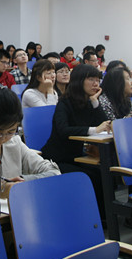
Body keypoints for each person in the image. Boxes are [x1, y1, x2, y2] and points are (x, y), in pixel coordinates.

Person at [41, 64, 111, 215]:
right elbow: (63, 130)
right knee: (90, 177)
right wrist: (93, 130)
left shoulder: (88, 102)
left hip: (76, 156)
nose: (96, 84)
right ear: (79, 81)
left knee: (102, 173)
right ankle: (94, 216)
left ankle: (104, 216)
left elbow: (104, 124)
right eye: (91, 79)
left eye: (97, 80)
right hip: (57, 158)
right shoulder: (64, 103)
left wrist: (95, 102)